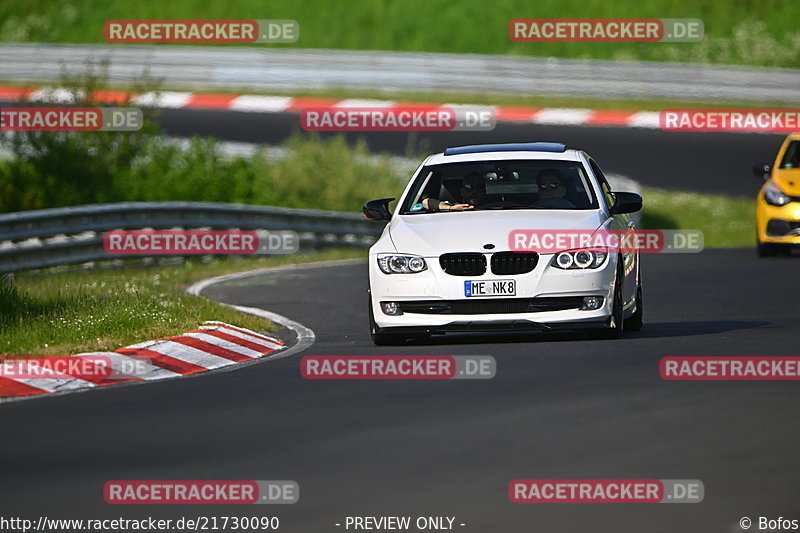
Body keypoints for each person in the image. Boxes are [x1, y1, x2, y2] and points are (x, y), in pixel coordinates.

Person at [421, 172, 487, 211]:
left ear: (485, 191)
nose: (475, 191)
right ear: (462, 191)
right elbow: (426, 202)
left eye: (479, 187)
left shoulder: (495, 205)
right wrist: (450, 208)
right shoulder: (454, 205)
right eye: (469, 187)